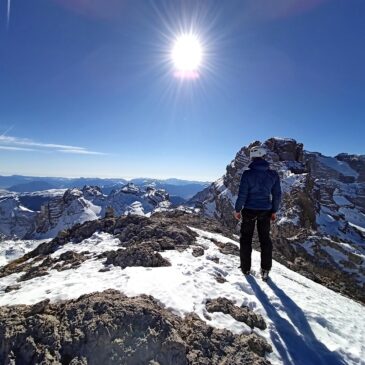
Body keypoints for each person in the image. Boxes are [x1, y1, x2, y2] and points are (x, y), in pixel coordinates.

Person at [234, 145, 281, 281]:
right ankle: (265, 270)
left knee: (246, 239)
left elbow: (242, 195)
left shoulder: (247, 174)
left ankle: (245, 268)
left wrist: (237, 210)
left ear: (252, 157)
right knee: (265, 239)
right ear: (264, 156)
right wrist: (274, 211)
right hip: (265, 210)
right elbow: (277, 194)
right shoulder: (273, 174)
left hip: (249, 210)